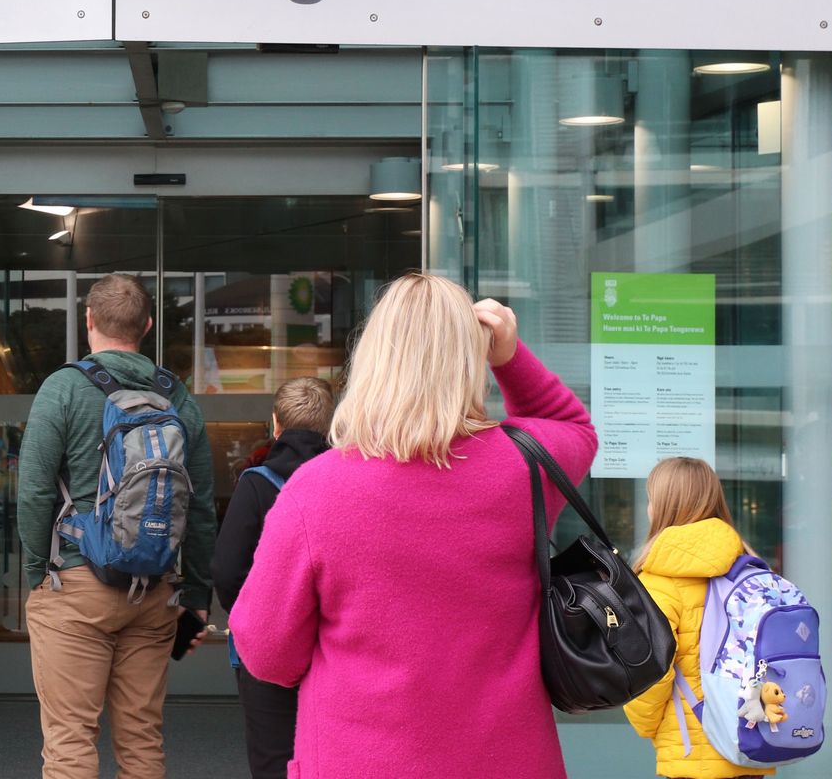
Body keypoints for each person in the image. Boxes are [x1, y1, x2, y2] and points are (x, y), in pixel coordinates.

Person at [229, 274, 595, 779]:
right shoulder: (522, 466)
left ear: (373, 361)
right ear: (470, 360)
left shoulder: (316, 490)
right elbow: (572, 427)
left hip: (357, 760)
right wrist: (509, 357)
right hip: (508, 761)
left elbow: (266, 652)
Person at [17, 273, 218, 779]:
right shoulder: (177, 396)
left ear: (88, 321)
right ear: (147, 326)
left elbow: (36, 490)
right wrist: (195, 594)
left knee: (70, 743)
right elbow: (199, 505)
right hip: (153, 592)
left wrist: (40, 570)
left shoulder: (62, 388)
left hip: (77, 585)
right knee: (142, 742)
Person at [210, 376, 335, 779]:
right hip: (333, 645)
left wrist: (250, 618)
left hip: (268, 648)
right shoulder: (347, 481)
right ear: (331, 425)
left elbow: (227, 570)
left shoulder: (256, 485)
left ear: (275, 424)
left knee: (273, 757)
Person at [623, 458, 772, 779]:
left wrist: (646, 725)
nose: (648, 509)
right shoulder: (751, 569)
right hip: (752, 741)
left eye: (651, 499)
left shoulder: (659, 578)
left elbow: (649, 671)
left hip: (691, 749)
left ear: (664, 506)